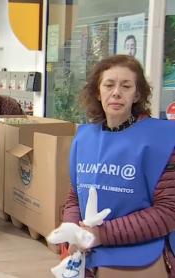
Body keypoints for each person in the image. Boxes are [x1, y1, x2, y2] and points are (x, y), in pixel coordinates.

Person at [62, 55, 175, 277]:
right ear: (97, 91)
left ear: (137, 94)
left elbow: (168, 211)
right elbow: (75, 196)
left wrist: (102, 234)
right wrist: (73, 231)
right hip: (88, 255)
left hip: (142, 257)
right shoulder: (84, 138)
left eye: (126, 86)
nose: (116, 92)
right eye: (109, 85)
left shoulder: (162, 140)